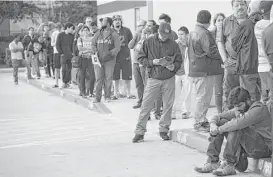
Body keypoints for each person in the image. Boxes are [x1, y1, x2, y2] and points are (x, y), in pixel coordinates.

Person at [195, 87, 272, 176]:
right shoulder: (239, 109)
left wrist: (218, 130)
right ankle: (213, 161)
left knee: (235, 125)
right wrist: (213, 125)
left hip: (264, 149)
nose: (237, 109)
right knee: (221, 122)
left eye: (239, 106)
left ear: (248, 100)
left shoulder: (258, 108)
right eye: (236, 107)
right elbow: (218, 116)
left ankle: (229, 164)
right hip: (248, 146)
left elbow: (238, 123)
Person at [132, 23, 183, 143]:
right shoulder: (148, 42)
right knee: (146, 105)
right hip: (153, 78)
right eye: (163, 35)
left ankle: (164, 130)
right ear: (158, 32)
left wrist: (174, 66)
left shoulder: (173, 44)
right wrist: (152, 62)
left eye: (167, 35)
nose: (165, 37)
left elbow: (179, 60)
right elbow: (140, 58)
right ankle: (139, 132)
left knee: (168, 106)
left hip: (169, 78)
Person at [217, 0, 260, 111]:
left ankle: (249, 120)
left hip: (249, 65)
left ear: (247, 6)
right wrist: (225, 60)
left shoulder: (254, 21)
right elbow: (220, 41)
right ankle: (228, 120)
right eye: (237, 5)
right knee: (229, 94)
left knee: (250, 95)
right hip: (231, 64)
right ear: (232, 7)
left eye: (242, 4)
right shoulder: (226, 21)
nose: (240, 7)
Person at [188, 10, 224, 132]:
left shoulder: (193, 32)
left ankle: (200, 120)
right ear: (208, 21)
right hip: (204, 70)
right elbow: (211, 51)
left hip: (196, 69)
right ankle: (199, 122)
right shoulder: (204, 33)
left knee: (201, 96)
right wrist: (223, 58)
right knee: (203, 97)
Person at [91, 17, 121, 103]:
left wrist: (108, 54)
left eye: (103, 21)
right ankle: (97, 98)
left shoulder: (114, 34)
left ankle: (108, 96)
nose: (101, 23)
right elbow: (93, 44)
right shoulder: (98, 33)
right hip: (98, 60)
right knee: (99, 79)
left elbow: (117, 48)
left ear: (108, 23)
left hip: (109, 60)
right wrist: (95, 51)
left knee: (108, 78)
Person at [112, 15, 135, 100]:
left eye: (119, 20)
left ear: (121, 21)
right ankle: (115, 93)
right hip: (115, 57)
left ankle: (128, 93)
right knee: (115, 76)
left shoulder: (127, 30)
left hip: (125, 56)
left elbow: (132, 42)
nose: (117, 21)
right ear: (113, 22)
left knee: (127, 75)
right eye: (115, 20)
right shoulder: (110, 31)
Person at [171, 26, 192, 119]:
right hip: (176, 72)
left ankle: (185, 112)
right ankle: (172, 112)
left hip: (187, 72)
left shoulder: (190, 44)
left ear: (187, 35)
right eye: (179, 34)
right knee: (174, 93)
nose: (180, 36)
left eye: (182, 34)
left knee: (187, 93)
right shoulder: (174, 44)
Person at [255, 1, 273, 104]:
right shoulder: (270, 26)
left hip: (261, 66)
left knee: (265, 97)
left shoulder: (257, 25)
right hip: (269, 65)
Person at [128, 19, 147, 109]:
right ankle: (140, 100)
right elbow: (130, 46)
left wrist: (143, 37)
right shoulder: (136, 36)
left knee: (146, 84)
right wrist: (135, 37)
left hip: (143, 64)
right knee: (138, 84)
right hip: (135, 63)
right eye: (138, 26)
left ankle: (147, 103)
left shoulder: (147, 36)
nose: (140, 28)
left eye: (141, 25)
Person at [210, 13, 226, 114]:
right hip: (217, 65)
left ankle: (228, 111)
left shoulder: (228, 31)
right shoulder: (211, 34)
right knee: (218, 91)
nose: (220, 22)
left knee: (228, 89)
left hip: (228, 64)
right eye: (218, 20)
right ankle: (220, 112)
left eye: (222, 20)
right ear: (215, 22)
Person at [77, 26, 95, 98]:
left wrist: (85, 50)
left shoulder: (92, 39)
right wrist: (88, 50)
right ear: (82, 31)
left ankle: (91, 92)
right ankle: (83, 92)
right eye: (84, 30)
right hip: (83, 58)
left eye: (87, 30)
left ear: (89, 31)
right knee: (82, 76)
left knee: (92, 76)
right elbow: (80, 48)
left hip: (90, 59)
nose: (85, 31)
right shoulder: (80, 39)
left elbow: (94, 48)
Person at [56, 22, 75, 89]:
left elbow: (73, 46)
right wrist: (61, 53)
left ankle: (67, 82)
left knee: (69, 69)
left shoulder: (72, 36)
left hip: (70, 55)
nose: (72, 30)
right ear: (68, 27)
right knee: (64, 69)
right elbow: (57, 45)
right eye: (72, 28)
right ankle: (64, 82)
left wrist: (73, 53)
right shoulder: (60, 35)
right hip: (63, 55)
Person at [51, 23, 63, 88]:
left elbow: (52, 44)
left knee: (58, 68)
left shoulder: (61, 33)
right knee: (59, 68)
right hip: (58, 51)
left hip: (58, 52)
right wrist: (57, 44)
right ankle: (59, 83)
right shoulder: (56, 33)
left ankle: (58, 83)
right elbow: (52, 44)